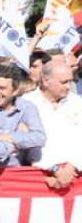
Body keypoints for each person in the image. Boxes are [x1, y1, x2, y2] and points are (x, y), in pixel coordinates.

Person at [0, 62, 46, 167]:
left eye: (2, 88)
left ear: (15, 90)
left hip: (17, 173)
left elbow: (40, 138)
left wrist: (10, 136)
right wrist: (15, 145)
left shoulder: (27, 107)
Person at [25, 61, 82, 189]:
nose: (68, 86)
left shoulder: (77, 103)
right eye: (64, 82)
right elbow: (28, 142)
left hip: (74, 175)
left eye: (70, 81)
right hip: (37, 177)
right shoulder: (26, 103)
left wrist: (71, 167)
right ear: (45, 81)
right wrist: (56, 169)